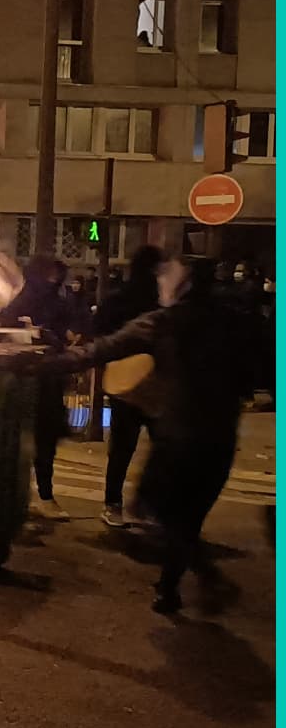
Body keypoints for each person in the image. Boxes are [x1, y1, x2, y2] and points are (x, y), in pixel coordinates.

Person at [28, 258, 248, 614]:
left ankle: (199, 578)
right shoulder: (235, 321)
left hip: (178, 435)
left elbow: (102, 349)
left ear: (184, 285)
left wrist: (43, 364)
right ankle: (170, 588)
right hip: (221, 434)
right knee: (188, 516)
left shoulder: (164, 323)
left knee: (159, 509)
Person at [0, 255, 74, 521]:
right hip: (29, 381)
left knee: (42, 442)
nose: (54, 281)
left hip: (44, 381)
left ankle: (42, 495)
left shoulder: (54, 301)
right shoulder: (22, 302)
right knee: (26, 442)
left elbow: (75, 328)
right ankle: (28, 496)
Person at [94, 245, 166, 527]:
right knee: (161, 446)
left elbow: (99, 330)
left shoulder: (117, 298)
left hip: (123, 379)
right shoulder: (162, 302)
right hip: (156, 381)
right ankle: (146, 505)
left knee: (122, 447)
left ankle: (113, 504)